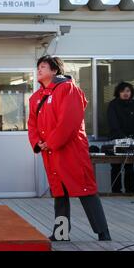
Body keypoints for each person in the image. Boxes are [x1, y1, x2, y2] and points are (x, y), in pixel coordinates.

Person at [28, 55, 111, 241]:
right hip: (50, 152)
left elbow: (69, 122)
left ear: (55, 70)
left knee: (85, 190)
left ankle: (103, 233)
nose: (39, 70)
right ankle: (61, 233)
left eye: (43, 66)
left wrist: (50, 141)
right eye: (38, 67)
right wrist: (37, 143)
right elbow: (32, 124)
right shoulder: (36, 97)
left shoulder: (68, 89)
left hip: (71, 150)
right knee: (59, 193)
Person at [107, 82, 134, 194]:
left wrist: (133, 137)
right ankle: (116, 191)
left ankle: (130, 191)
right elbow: (113, 123)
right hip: (116, 139)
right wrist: (123, 137)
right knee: (116, 167)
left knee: (130, 166)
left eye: (128, 91)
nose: (126, 93)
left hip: (132, 139)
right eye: (123, 91)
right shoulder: (113, 105)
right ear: (118, 92)